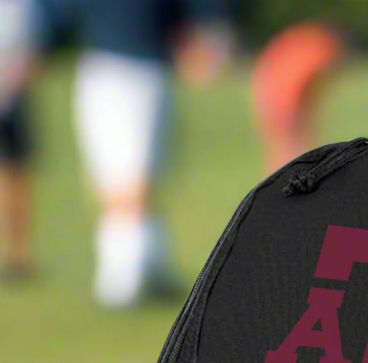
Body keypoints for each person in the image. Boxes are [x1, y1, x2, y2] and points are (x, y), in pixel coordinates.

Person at [51, 0, 235, 307]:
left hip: (136, 67)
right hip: (120, 68)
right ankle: (122, 277)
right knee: (125, 175)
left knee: (142, 174)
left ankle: (149, 264)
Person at [251, 23, 344, 175]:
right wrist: (292, 116)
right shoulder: (317, 56)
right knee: (289, 146)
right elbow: (293, 87)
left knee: (293, 145)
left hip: (273, 86)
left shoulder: (311, 48)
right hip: (279, 96)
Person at [0, 0, 41, 278]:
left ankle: (17, 256)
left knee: (16, 177)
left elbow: (36, 47)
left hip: (14, 98)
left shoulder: (24, 6)